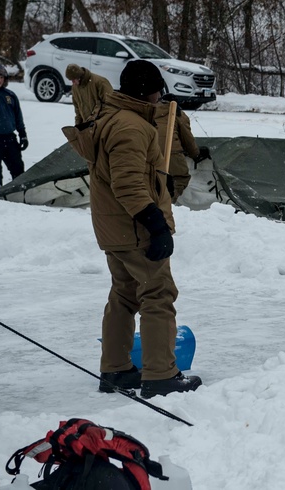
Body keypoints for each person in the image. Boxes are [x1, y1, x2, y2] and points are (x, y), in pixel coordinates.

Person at [88, 59, 201, 398]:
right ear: (148, 92)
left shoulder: (110, 116)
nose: (159, 98)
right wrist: (156, 224)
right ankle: (160, 375)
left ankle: (117, 369)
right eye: (157, 91)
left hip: (115, 228)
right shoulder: (130, 127)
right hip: (134, 228)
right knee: (157, 294)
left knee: (123, 296)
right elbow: (128, 184)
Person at [156, 96, 208, 203]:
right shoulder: (177, 113)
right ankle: (167, 202)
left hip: (150, 151)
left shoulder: (150, 110)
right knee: (180, 177)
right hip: (171, 152)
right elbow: (187, 139)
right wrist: (195, 154)